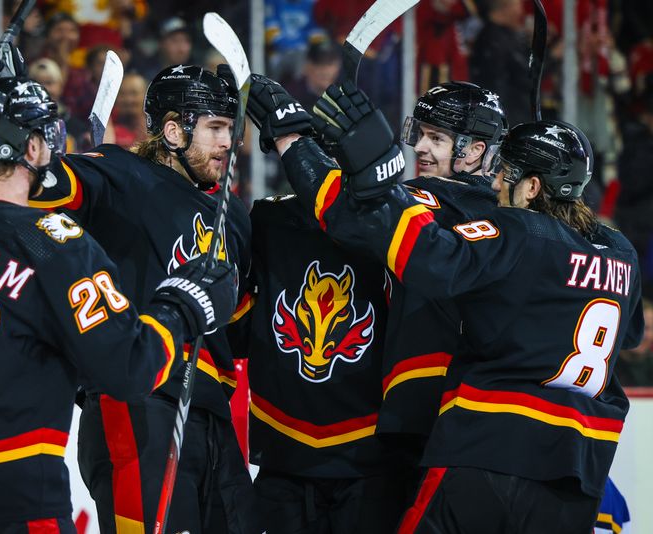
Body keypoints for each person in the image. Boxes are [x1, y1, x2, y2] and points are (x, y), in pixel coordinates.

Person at [0, 76, 238, 532]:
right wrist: (183, 303)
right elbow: (130, 367)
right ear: (33, 149)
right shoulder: (56, 247)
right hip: (2, 483)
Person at [259, 99, 644, 530]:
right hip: (576, 465)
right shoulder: (620, 252)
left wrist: (340, 162)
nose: (496, 183)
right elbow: (627, 336)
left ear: (532, 187)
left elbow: (428, 258)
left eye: (506, 173)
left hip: (488, 447)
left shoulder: (515, 230)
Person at [0, 43, 259, 534]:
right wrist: (2, 111)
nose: (230, 142)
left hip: (213, 415)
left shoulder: (234, 214)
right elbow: (42, 181)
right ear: (175, 131)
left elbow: (239, 329)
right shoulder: (121, 173)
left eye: (231, 129)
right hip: (139, 405)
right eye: (216, 129)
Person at [245, 75, 508, 530]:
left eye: (437, 138)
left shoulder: (438, 206)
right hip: (456, 434)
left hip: (432, 436)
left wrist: (294, 140)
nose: (421, 149)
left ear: (475, 150)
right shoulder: (506, 223)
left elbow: (349, 213)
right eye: (420, 134)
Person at [228, 192, 403, 533]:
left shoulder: (394, 218)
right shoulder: (267, 218)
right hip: (288, 457)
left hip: (365, 461)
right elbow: (238, 327)